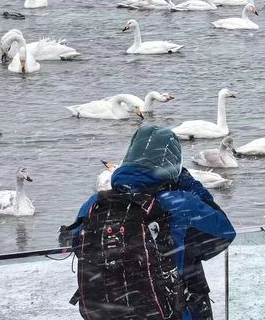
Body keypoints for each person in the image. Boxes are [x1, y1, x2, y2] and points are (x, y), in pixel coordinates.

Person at [70, 125, 236, 320]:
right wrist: (191, 186)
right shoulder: (180, 204)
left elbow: (76, 244)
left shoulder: (95, 204)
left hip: (109, 311)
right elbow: (223, 234)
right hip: (171, 312)